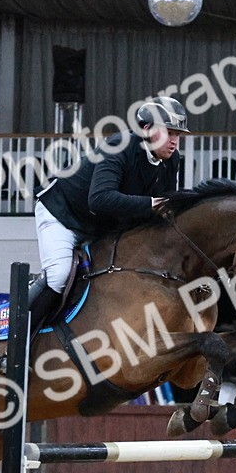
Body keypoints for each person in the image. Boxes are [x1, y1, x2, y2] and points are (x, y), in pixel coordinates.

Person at [29, 96, 189, 334]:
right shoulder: (118, 147)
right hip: (62, 214)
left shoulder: (171, 160)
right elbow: (100, 198)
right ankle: (16, 342)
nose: (175, 142)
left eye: (178, 135)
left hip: (100, 225)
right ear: (146, 129)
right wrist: (150, 204)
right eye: (168, 133)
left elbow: (164, 208)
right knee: (59, 275)